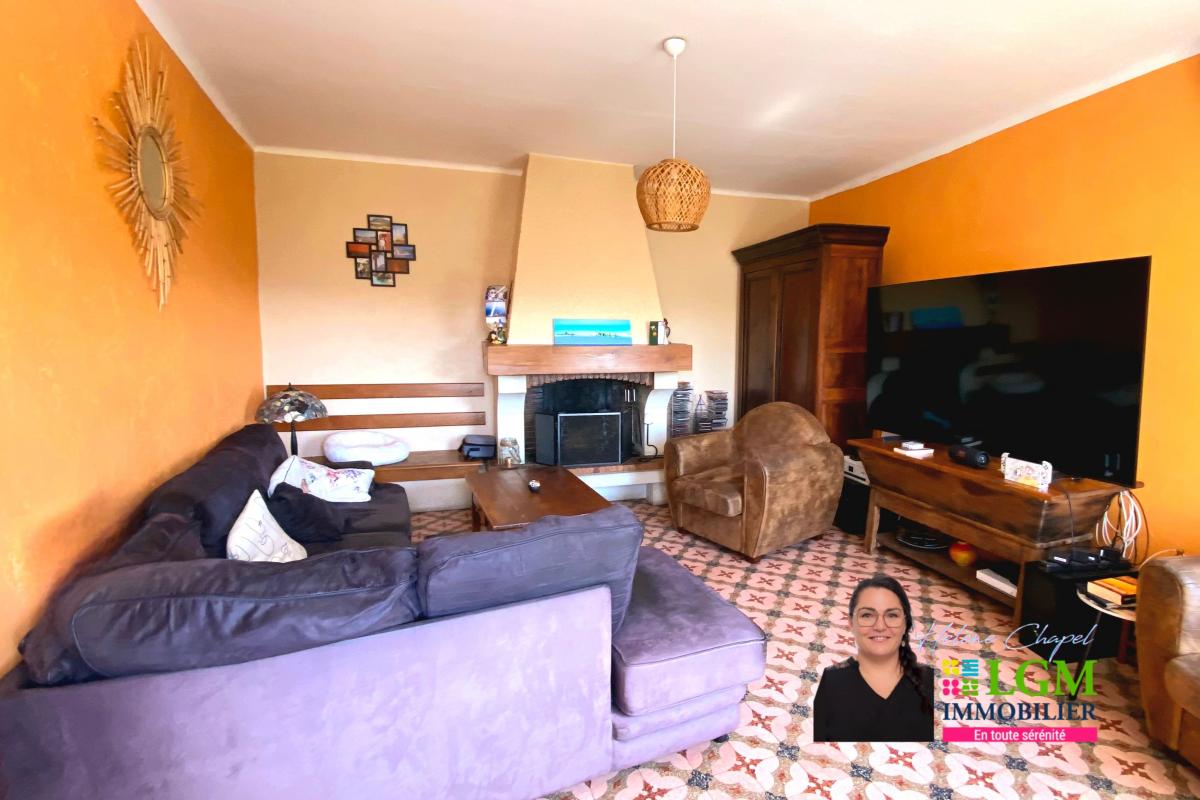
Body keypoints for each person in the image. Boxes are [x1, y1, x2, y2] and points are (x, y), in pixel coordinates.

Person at [812, 575, 934, 741]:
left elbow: (959, 737)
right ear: (851, 622)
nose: (880, 626)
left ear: (905, 623)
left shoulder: (931, 680)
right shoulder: (831, 680)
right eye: (867, 615)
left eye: (892, 615)